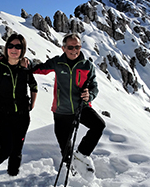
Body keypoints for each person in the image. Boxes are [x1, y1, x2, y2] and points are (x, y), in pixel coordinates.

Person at [32, 33, 105, 175]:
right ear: (63, 48)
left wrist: (90, 95)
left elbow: (94, 86)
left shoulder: (87, 65)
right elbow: (39, 68)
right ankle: (70, 169)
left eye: (77, 46)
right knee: (65, 146)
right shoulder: (57, 63)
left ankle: (81, 155)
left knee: (99, 125)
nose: (74, 50)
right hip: (61, 111)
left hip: (81, 108)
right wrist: (24, 63)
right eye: (70, 47)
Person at [0, 33, 38, 178]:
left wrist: (32, 104)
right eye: (10, 46)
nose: (14, 49)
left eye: (18, 46)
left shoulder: (25, 68)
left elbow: (34, 86)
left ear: (23, 49)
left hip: (22, 115)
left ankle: (12, 174)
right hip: (3, 115)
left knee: (17, 149)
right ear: (6, 48)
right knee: (7, 148)